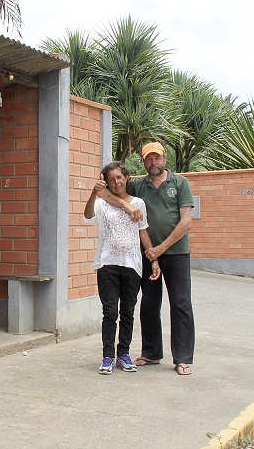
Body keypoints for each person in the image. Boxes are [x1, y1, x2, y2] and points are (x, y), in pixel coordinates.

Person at [98, 142, 196, 375]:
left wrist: (159, 250)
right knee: (149, 304)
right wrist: (126, 205)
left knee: (180, 304)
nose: (153, 163)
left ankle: (182, 358)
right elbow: (105, 191)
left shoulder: (180, 183)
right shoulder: (139, 185)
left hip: (175, 252)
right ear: (144, 162)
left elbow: (186, 222)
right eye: (149, 159)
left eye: (157, 158)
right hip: (147, 253)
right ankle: (151, 353)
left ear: (165, 158)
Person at [84, 161, 157, 375]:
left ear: (127, 178)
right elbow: (88, 215)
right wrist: (92, 194)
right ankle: (107, 356)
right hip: (108, 264)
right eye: (111, 179)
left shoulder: (139, 203)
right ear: (105, 182)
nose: (116, 182)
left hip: (132, 264)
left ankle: (123, 354)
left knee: (127, 312)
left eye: (119, 177)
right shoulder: (102, 203)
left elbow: (143, 231)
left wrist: (153, 259)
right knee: (109, 312)